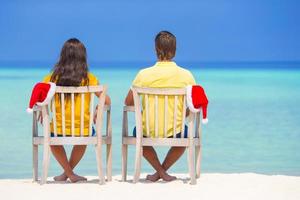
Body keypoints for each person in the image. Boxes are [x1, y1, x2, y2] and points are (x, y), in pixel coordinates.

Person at [125, 31, 196, 182]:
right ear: (175, 51)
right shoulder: (186, 75)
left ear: (155, 50)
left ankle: (159, 172)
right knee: (185, 135)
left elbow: (128, 102)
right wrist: (184, 112)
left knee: (137, 132)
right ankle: (162, 172)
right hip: (176, 130)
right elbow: (193, 104)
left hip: (148, 130)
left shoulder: (143, 75)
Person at [43, 38, 111, 182]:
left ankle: (67, 173)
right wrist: (98, 108)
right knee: (84, 137)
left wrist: (42, 110)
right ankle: (69, 173)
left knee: (50, 138)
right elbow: (107, 99)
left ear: (63, 56)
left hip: (57, 129)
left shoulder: (51, 78)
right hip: (83, 129)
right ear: (83, 57)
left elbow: (40, 97)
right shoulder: (90, 79)